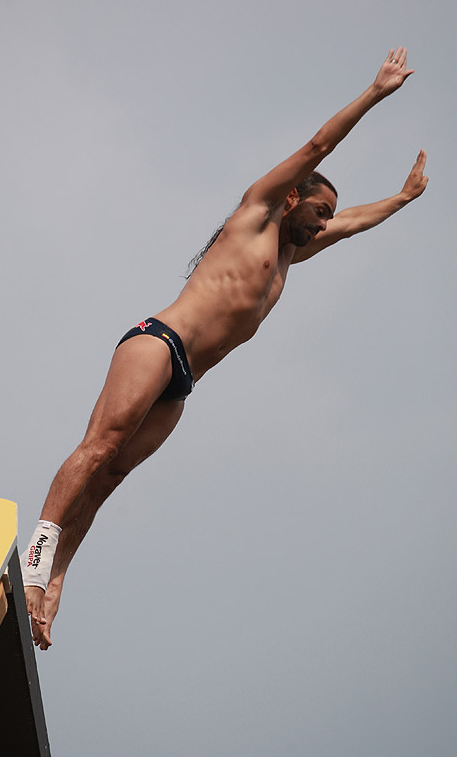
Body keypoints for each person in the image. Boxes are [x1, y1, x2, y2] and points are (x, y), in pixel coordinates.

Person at [22, 48, 428, 649]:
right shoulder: (258, 212)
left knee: (109, 480)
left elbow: (352, 224)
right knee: (97, 448)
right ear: (292, 197)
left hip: (182, 384)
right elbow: (317, 147)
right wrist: (375, 92)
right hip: (158, 344)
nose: (323, 224)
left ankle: (56, 580)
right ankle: (33, 564)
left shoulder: (291, 253)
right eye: (318, 211)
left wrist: (401, 199)